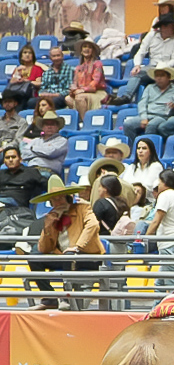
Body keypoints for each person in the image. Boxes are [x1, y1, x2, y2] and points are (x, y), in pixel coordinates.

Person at [28, 175, 102, 310]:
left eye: (61, 198)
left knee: (69, 256)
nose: (59, 202)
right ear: (51, 203)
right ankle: (49, 298)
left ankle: (66, 298)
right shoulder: (51, 216)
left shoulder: (83, 208)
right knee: (34, 257)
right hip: (64, 257)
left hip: (88, 256)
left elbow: (93, 225)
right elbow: (44, 249)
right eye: (55, 199)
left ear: (68, 197)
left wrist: (77, 247)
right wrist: (48, 227)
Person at [117, 15, 174, 102]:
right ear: (163, 27)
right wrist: (137, 65)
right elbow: (141, 52)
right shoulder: (151, 36)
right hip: (153, 67)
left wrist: (163, 66)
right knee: (137, 74)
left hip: (169, 68)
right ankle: (126, 97)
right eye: (172, 26)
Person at [122, 63, 174, 142]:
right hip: (147, 114)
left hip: (163, 117)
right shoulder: (149, 87)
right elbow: (142, 103)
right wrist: (144, 118)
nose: (159, 78)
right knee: (128, 124)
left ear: (169, 77)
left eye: (162, 75)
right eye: (157, 76)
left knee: (151, 125)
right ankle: (134, 146)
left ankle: (149, 147)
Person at [65, 38, 107, 117]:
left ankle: (85, 121)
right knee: (68, 99)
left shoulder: (97, 64)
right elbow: (75, 83)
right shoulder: (78, 67)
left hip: (96, 92)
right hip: (81, 92)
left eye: (89, 47)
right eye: (84, 47)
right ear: (81, 50)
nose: (86, 49)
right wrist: (73, 90)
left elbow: (95, 82)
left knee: (79, 98)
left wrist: (82, 90)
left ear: (93, 51)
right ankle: (80, 119)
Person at [20, 109, 67, 175]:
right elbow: (24, 155)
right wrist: (43, 151)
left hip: (48, 171)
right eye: (47, 124)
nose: (49, 127)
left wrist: (33, 148)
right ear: (42, 127)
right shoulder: (36, 140)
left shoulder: (62, 141)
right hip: (31, 170)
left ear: (57, 127)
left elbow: (50, 152)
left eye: (52, 124)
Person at [0, 144, 46, 211]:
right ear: (4, 161)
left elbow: (46, 184)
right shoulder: (1, 173)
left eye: (13, 157)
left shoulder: (31, 172)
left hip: (17, 206)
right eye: (7, 158)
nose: (10, 160)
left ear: (20, 159)